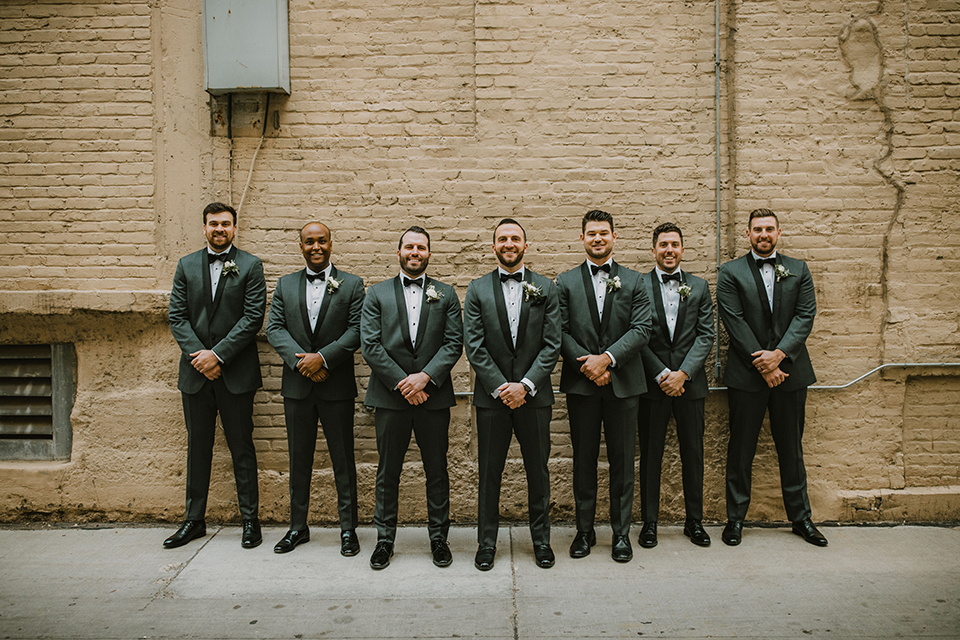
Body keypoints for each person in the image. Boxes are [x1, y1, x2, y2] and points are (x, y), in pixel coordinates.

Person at [716, 208, 827, 547]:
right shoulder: (730, 272)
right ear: (748, 234)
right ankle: (735, 519)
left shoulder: (799, 269)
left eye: (768, 229)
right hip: (747, 376)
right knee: (741, 449)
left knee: (791, 448)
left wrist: (779, 356)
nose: (763, 235)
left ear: (779, 232)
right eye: (757, 230)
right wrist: (764, 364)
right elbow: (733, 321)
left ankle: (801, 519)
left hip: (790, 374)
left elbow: (805, 315)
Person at [360, 226, 463, 570]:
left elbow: (453, 344)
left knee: (437, 470)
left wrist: (425, 379)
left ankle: (439, 538)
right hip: (391, 399)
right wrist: (403, 383)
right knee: (389, 471)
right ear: (399, 251)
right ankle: (384, 539)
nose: (414, 251)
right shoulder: (376, 294)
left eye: (421, 247)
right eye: (409, 246)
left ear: (429, 254)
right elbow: (370, 345)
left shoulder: (446, 294)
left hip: (433, 398)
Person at [165, 202, 266, 550]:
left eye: (225, 224)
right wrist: (201, 358)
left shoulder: (251, 266)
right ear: (204, 228)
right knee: (198, 448)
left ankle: (250, 520)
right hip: (196, 375)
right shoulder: (186, 265)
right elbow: (177, 317)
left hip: (235, 373)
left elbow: (252, 318)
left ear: (234, 228)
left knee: (242, 448)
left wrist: (218, 355)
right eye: (213, 224)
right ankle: (194, 520)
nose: (219, 229)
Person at [463, 218, 561, 571]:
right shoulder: (477, 289)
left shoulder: (546, 288)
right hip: (492, 399)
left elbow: (552, 345)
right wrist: (502, 387)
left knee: (539, 472)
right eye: (502, 239)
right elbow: (474, 346)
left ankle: (541, 541)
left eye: (515, 238)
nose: (509, 243)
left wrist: (527, 385)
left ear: (525, 244)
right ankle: (486, 542)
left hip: (535, 399)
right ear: (494, 246)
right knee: (490, 472)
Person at [555, 209, 651, 563]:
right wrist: (589, 366)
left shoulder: (636, 281)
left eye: (604, 233)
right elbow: (559, 331)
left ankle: (621, 534)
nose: (598, 238)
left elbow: (642, 328)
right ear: (582, 238)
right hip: (583, 386)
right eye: (591, 233)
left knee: (623, 462)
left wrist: (607, 360)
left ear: (615, 237)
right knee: (583, 460)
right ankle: (584, 531)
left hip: (623, 384)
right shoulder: (564, 283)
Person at [265, 222, 365, 555]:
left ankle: (348, 529)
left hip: (335, 385)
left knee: (343, 459)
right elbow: (275, 328)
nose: (316, 246)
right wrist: (301, 364)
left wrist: (322, 359)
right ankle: (297, 527)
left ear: (331, 244)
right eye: (310, 242)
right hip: (297, 387)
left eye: (322, 241)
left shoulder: (352, 285)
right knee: (298, 458)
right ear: (301, 246)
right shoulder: (285, 284)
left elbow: (356, 331)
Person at [637, 222, 715, 549]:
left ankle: (694, 521)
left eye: (675, 245)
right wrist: (661, 375)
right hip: (652, 387)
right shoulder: (637, 286)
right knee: (650, 455)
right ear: (653, 249)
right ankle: (649, 523)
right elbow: (636, 334)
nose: (669, 250)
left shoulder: (699, 287)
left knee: (693, 454)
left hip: (690, 385)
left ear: (682, 249)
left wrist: (683, 373)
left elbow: (706, 334)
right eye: (663, 245)